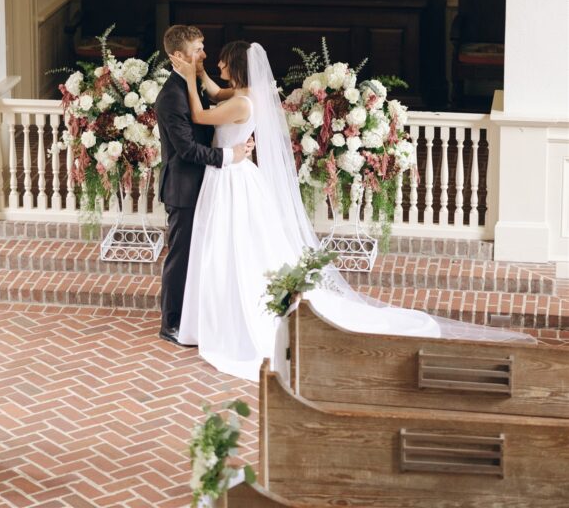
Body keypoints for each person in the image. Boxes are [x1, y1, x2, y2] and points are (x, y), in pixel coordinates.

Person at [171, 40, 534, 382]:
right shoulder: (246, 95)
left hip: (233, 178)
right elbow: (217, 94)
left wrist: (189, 78)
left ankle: (237, 317)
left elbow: (202, 115)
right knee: (232, 246)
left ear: (235, 66)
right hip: (233, 175)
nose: (215, 63)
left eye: (220, 61)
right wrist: (199, 74)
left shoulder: (243, 103)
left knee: (236, 248)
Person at [155, 25, 253, 346]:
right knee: (181, 258)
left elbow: (219, 97)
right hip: (184, 187)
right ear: (179, 56)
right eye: (198, 49)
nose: (205, 55)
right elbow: (186, 149)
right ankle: (171, 323)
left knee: (206, 254)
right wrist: (231, 154)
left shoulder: (194, 82)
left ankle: (200, 316)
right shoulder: (171, 96)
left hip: (211, 184)